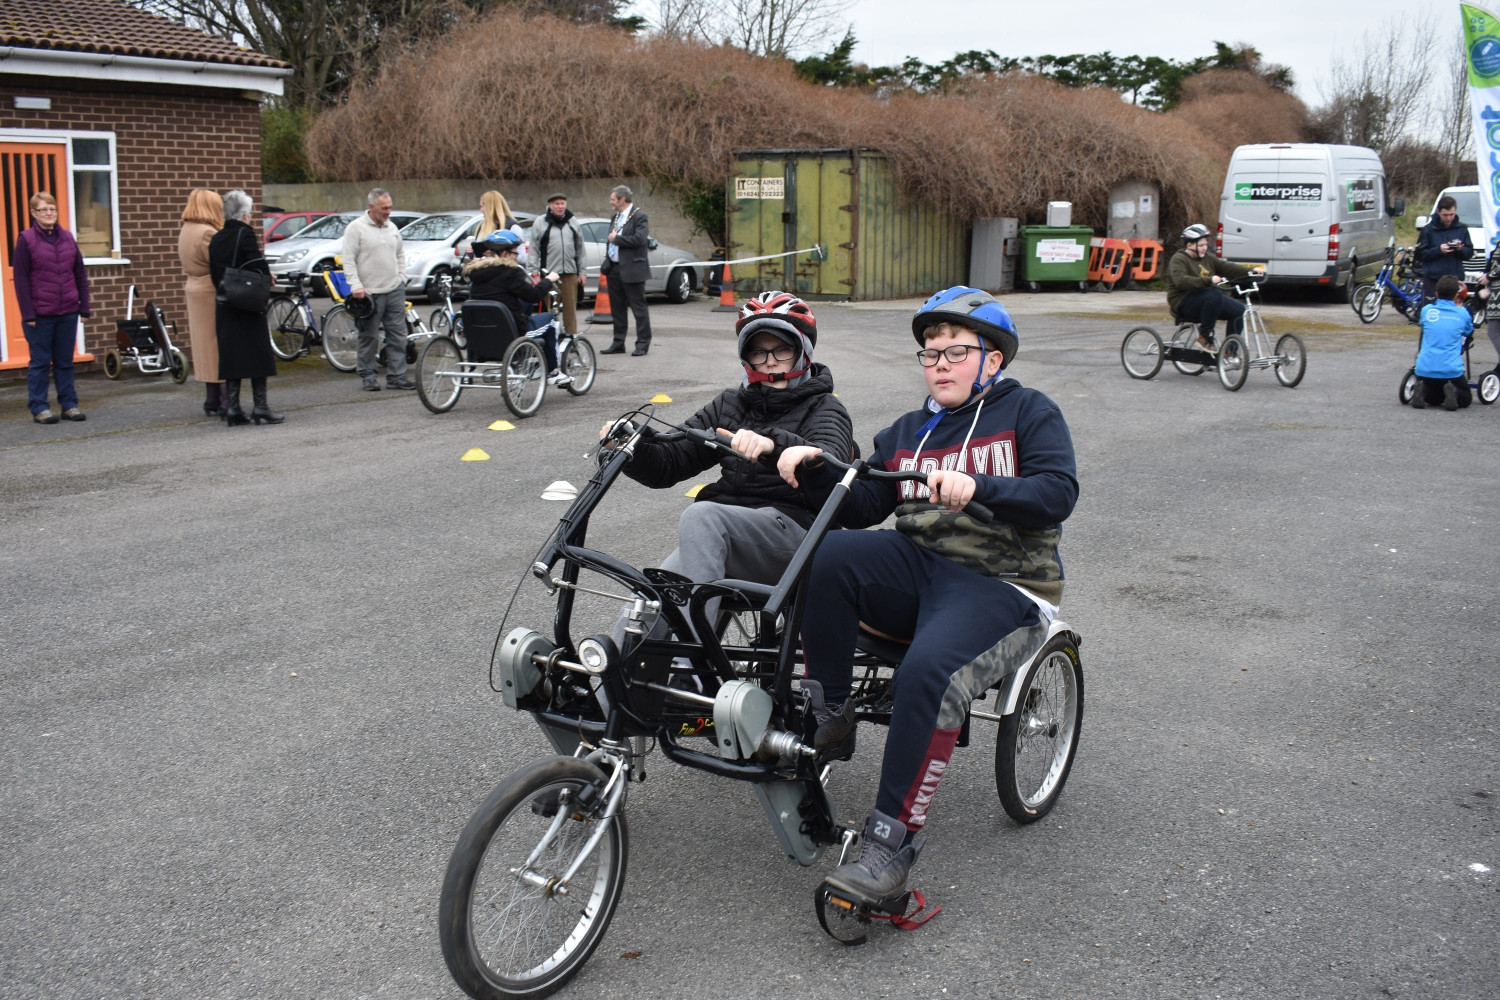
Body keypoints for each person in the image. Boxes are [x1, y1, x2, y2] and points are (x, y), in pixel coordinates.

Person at [775, 287, 1078, 906]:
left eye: (955, 352)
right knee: (824, 554)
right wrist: (814, 470)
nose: (939, 363)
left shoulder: (1029, 413)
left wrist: (981, 485)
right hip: (919, 568)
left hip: (1001, 584)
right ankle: (832, 716)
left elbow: (1057, 493)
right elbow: (862, 507)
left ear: (993, 359)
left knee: (928, 671)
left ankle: (889, 844)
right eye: (929, 353)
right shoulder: (909, 430)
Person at [601, 291, 852, 639]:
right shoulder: (730, 403)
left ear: (802, 351)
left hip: (797, 538)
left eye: (781, 349)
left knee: (702, 515)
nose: (770, 361)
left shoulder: (825, 407)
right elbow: (670, 462)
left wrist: (774, 445)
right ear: (746, 355)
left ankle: (693, 664)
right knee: (648, 601)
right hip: (725, 534)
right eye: (758, 351)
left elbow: (833, 461)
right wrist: (633, 445)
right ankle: (607, 689)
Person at [13, 191, 90, 424]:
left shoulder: (67, 237)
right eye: (43, 210)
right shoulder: (26, 239)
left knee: (65, 361)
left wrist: (83, 307)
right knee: (40, 363)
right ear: (33, 213)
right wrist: (28, 314)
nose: (49, 213)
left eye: (52, 209)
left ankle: (69, 405)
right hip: (40, 314)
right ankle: (39, 407)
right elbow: (21, 279)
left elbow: (79, 273)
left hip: (67, 310)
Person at [208, 190, 284, 426]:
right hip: (248, 304)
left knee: (232, 356)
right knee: (257, 354)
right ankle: (260, 406)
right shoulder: (245, 233)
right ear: (245, 215)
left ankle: (233, 408)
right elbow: (255, 263)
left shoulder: (216, 238)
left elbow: (215, 273)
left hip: (225, 303)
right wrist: (266, 274)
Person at [463, 229, 571, 385]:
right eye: (515, 253)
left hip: (482, 337)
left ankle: (479, 371)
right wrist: (548, 280)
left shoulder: (476, 274)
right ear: (505, 254)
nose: (517, 257)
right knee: (549, 320)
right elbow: (533, 295)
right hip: (511, 335)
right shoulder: (510, 273)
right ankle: (553, 372)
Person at [343, 187, 413, 391]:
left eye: (390, 207)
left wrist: (402, 277)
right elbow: (348, 259)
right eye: (384, 208)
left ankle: (397, 376)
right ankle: (368, 376)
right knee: (368, 336)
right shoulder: (356, 228)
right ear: (371, 206)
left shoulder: (392, 228)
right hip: (369, 293)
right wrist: (356, 285)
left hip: (394, 288)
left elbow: (400, 254)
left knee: (398, 335)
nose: (388, 212)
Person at [1167, 223, 1260, 354]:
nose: (1204, 248)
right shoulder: (1179, 259)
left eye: (1205, 244)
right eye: (1201, 245)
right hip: (1183, 301)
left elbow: (1227, 267)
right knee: (1213, 295)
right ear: (1189, 245)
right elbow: (1181, 281)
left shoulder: (1207, 258)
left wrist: (1250, 272)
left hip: (1207, 300)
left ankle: (1229, 352)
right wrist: (1209, 280)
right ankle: (1204, 337)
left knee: (1239, 310)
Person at [178, 188, 224, 417]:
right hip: (209, 290)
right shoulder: (208, 232)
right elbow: (218, 263)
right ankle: (224, 399)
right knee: (217, 345)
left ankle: (211, 398)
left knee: (203, 346)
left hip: (194, 289)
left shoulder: (187, 229)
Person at [600, 184, 652, 357]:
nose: (611, 202)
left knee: (639, 308)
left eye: (613, 199)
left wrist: (618, 239)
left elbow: (640, 239)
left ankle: (642, 343)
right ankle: (618, 342)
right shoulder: (615, 217)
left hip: (633, 269)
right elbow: (610, 240)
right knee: (617, 308)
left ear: (622, 199)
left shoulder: (639, 216)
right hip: (614, 269)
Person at [1411, 275, 1474, 411]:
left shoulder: (1426, 310)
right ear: (1456, 295)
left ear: (1436, 294)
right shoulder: (1462, 313)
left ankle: (1424, 391)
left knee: (1434, 399)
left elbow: (1424, 326)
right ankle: (1455, 393)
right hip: (1451, 369)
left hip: (1424, 368)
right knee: (1466, 398)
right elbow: (1468, 331)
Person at [531, 194, 585, 340]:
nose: (560, 206)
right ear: (550, 206)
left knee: (570, 309)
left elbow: (580, 248)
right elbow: (534, 250)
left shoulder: (572, 222)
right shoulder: (541, 222)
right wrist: (534, 273)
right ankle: (548, 338)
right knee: (549, 309)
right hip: (549, 274)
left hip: (570, 273)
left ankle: (571, 339)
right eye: (557, 204)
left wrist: (582, 271)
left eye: (562, 203)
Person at [1414, 195, 1473, 301]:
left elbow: (1469, 253)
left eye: (1452, 214)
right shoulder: (1428, 230)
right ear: (1438, 211)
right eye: (1445, 215)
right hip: (1433, 280)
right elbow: (1419, 254)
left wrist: (1460, 250)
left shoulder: (1462, 229)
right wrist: (1438, 250)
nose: (1449, 218)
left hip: (1455, 279)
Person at [479, 190, 528, 266]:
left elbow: (522, 258)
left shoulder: (512, 227)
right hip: (485, 273)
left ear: (491, 207)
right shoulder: (482, 226)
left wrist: (495, 256)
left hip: (504, 274)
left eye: (482, 206)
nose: (481, 210)